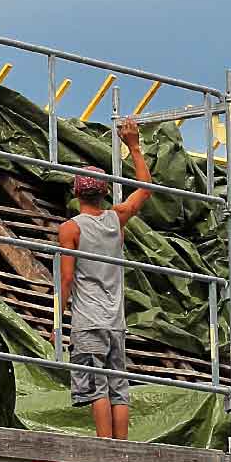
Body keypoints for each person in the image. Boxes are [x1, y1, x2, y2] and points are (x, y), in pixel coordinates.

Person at [56, 118, 153, 439]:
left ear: (76, 193)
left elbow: (67, 277)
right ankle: (122, 447)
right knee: (118, 384)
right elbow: (145, 188)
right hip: (115, 320)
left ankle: (105, 445)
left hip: (88, 320)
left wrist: (58, 316)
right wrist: (134, 147)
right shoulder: (116, 219)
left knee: (95, 383)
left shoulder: (71, 228)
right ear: (104, 192)